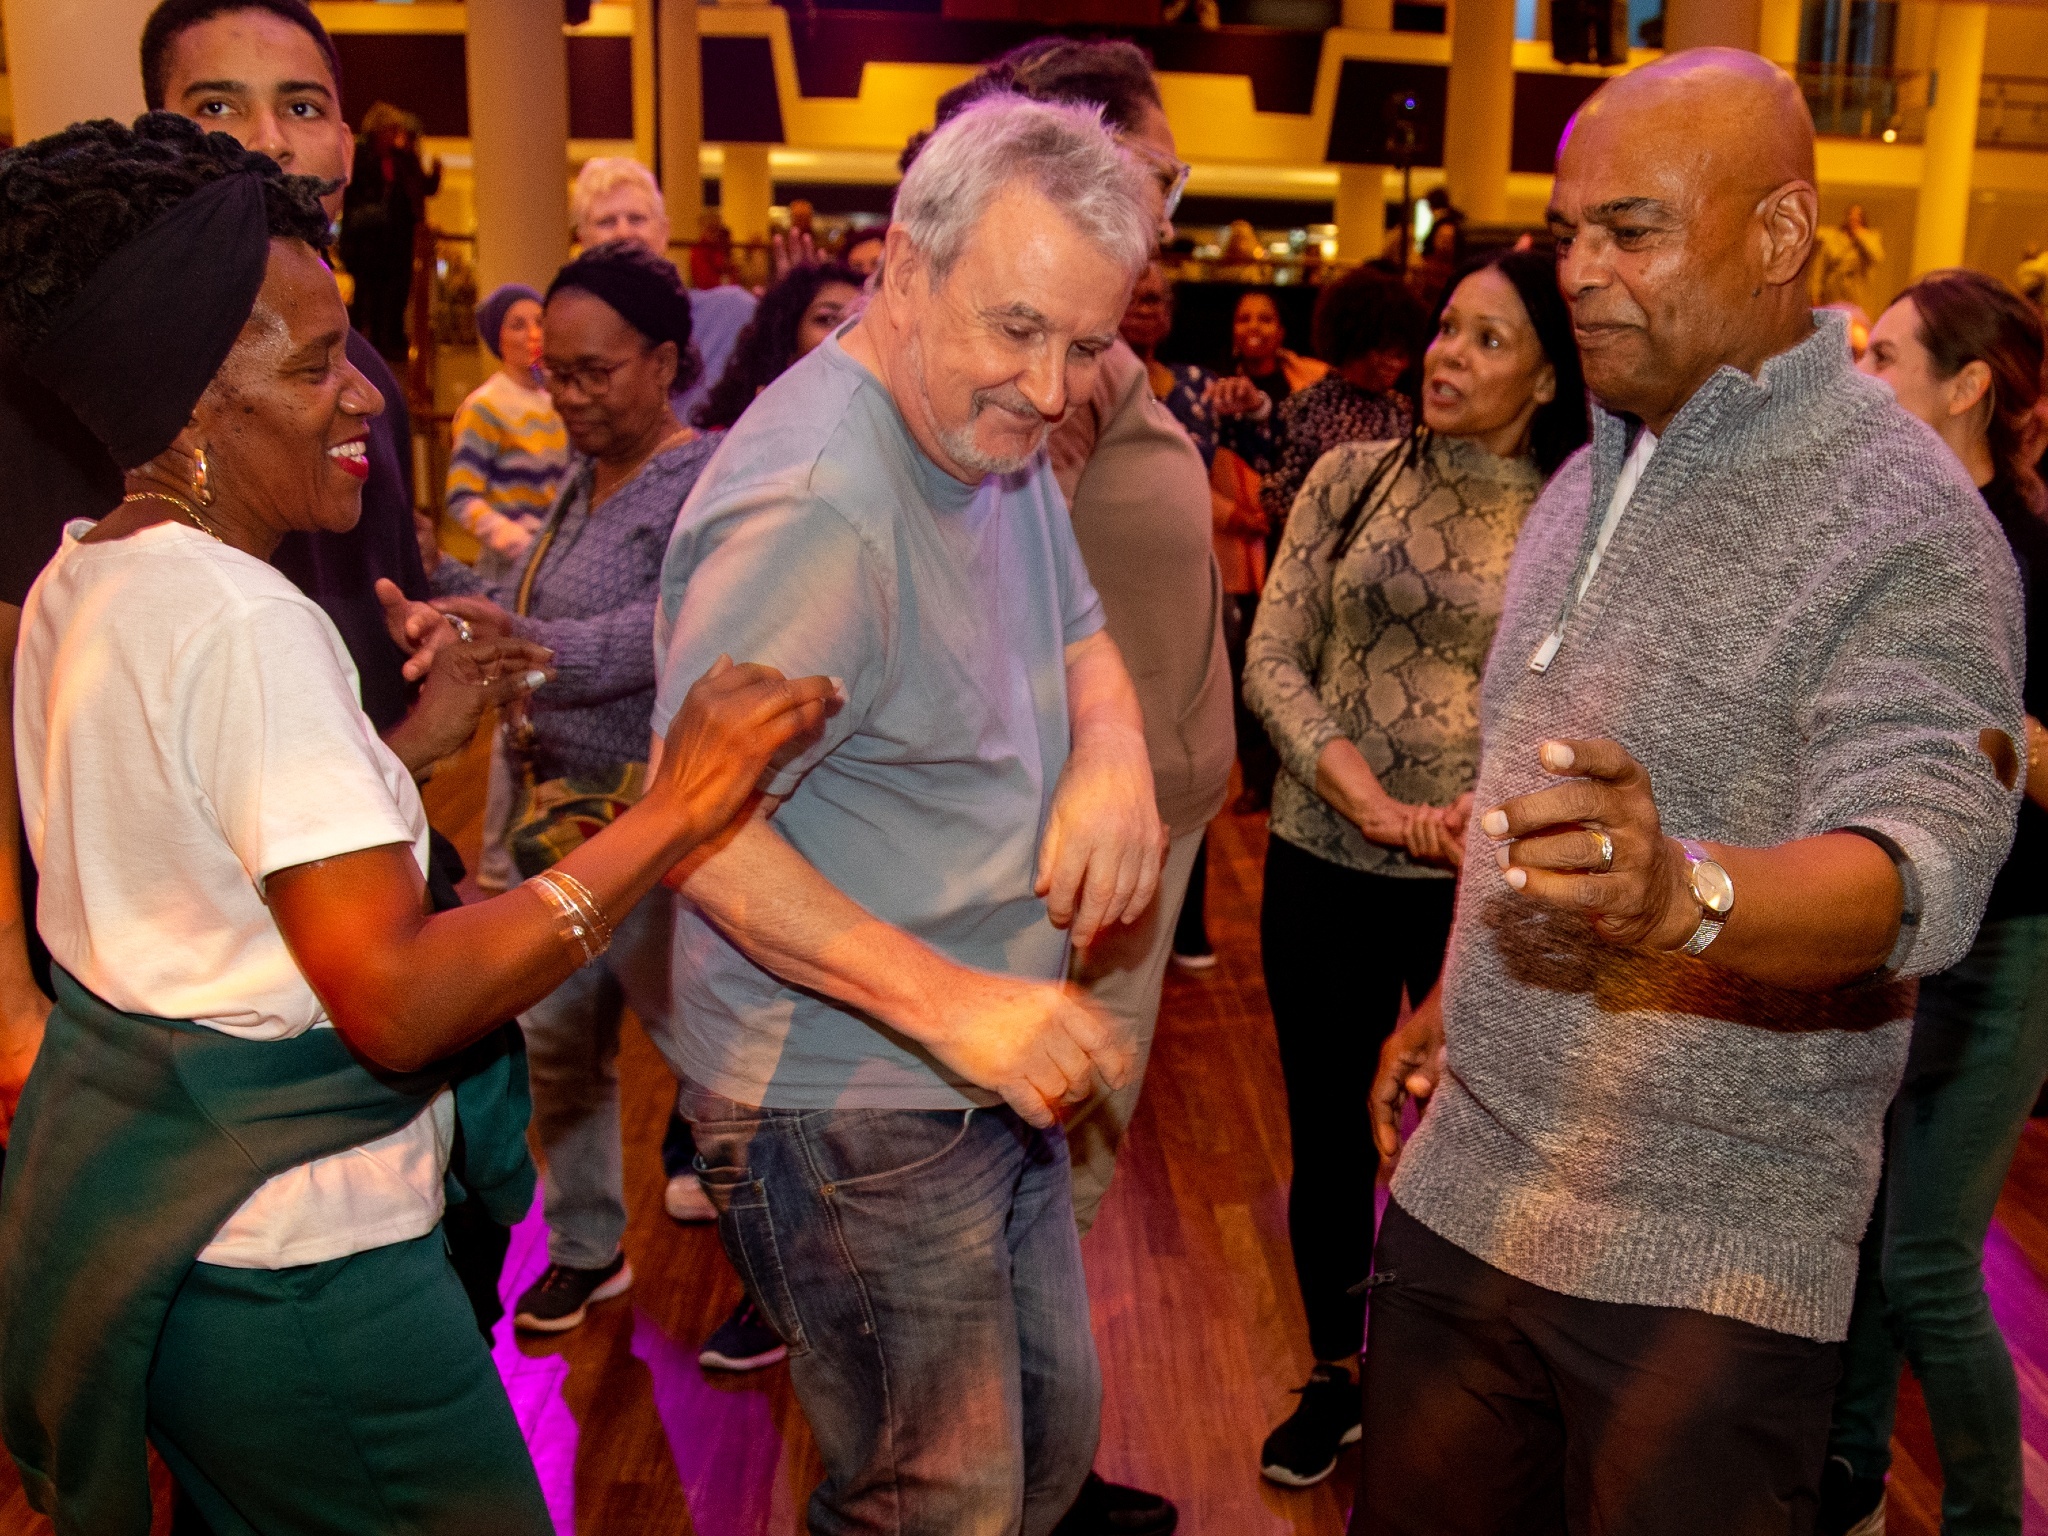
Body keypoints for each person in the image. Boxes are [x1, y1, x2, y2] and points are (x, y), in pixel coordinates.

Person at [0, 112, 834, 1536]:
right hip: (303, 1272)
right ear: (197, 395)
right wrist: (680, 808)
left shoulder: (88, 578)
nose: (368, 400)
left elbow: (221, 890)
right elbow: (391, 1001)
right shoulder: (244, 620)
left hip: (176, 1240)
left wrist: (405, 749)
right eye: (319, 362)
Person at [1361, 50, 2026, 1535]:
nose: (1579, 274)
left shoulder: (1905, 523)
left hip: (1706, 1274)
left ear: (1780, 238)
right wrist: (1461, 999)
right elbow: (1535, 801)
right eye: (1567, 231)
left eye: (1632, 231)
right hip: (1467, 1204)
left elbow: (1918, 865)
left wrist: (1687, 895)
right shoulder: (1584, 477)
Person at [655, 94, 1163, 1535]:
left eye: (1086, 345)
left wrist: (1113, 753)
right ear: (903, 269)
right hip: (839, 1098)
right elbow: (693, 829)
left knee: (1045, 1463)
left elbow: (1078, 628)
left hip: (976, 1054)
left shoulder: (984, 429)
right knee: (935, 1509)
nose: (1054, 389)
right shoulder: (819, 507)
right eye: (1019, 331)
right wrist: (954, 1004)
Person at [906, 42, 1235, 1535]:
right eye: (1157, 175)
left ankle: (1041, 1472)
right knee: (1049, 1170)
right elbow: (981, 564)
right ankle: (1023, 1488)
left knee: (1051, 1178)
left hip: (1127, 821)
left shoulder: (1099, 350)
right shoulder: (1073, 363)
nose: (1164, 209)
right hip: (1089, 847)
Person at [1242, 247, 1587, 1490]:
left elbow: (1586, 697)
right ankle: (1335, 1373)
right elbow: (1273, 658)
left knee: (1490, 1132)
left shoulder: (1579, 518)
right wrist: (1369, 800)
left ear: (1548, 374)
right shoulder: (1344, 477)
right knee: (1331, 1129)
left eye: (1488, 341)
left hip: (1485, 884)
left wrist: (1475, 817)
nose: (1447, 355)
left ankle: (1465, 1379)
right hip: (1324, 855)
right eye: (1447, 330)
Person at [428, 242, 729, 1340]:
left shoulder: (702, 477)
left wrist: (532, 644)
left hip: (650, 820)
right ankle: (587, 1249)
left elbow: (673, 632)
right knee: (558, 1049)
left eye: (594, 371)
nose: (568, 393)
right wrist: (444, 585)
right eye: (556, 371)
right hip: (550, 815)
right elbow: (528, 600)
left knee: (705, 1062)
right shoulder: (576, 477)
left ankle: (775, 1263)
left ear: (664, 362)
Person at [1821, 270, 2048, 1536]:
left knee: (1923, 1265)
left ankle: (1979, 1518)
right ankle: (1847, 1476)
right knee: (1857, 1233)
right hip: (1896, 930)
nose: (1863, 379)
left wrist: (1979, 722)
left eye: (1888, 359)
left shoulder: (2023, 556)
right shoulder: (1895, 537)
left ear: (1965, 389)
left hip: (2008, 943)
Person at [1113, 258, 1270, 969]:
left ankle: (1186, 921)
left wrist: (1260, 408)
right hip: (1110, 587)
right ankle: (1121, 914)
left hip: (1192, 583)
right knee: (1121, 744)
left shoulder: (1201, 387)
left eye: (1156, 300)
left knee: (1190, 745)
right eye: (1132, 298)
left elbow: (1265, 453)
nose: (1144, 310)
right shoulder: (1091, 382)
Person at [570, 156, 756, 424]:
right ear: (584, 240)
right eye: (607, 222)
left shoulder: (730, 316)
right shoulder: (570, 337)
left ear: (663, 232)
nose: (624, 232)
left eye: (636, 219)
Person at [1260, 265, 1428, 531]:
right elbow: (1278, 497)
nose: (1400, 363)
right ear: (1357, 343)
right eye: (1388, 351)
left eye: (1403, 353)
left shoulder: (1402, 410)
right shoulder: (1305, 408)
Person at [444, 284, 569, 587]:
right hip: (508, 571)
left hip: (560, 563)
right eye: (518, 325)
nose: (533, 334)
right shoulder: (485, 406)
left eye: (540, 322)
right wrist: (516, 541)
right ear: (498, 339)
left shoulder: (560, 399)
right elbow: (462, 497)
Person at [692, 259, 864, 432]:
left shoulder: (881, 426)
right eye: (826, 319)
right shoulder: (733, 438)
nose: (844, 332)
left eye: (857, 321)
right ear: (788, 341)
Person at [338, 101, 439, 363]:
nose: (394, 135)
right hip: (366, 242)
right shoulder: (359, 156)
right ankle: (362, 347)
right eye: (390, 130)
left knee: (395, 295)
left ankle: (389, 345)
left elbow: (419, 190)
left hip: (396, 243)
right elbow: (351, 195)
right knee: (366, 296)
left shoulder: (401, 159)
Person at [1230, 288, 1327, 409]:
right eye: (1244, 319)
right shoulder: (1217, 382)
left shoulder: (1314, 377)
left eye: (1265, 319)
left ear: (1280, 333)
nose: (1253, 326)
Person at [1812, 202, 1884, 313]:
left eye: (1858, 216)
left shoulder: (1870, 238)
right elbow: (1819, 268)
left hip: (1857, 292)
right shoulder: (1832, 238)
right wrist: (1815, 294)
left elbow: (1877, 257)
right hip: (1833, 290)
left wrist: (1861, 236)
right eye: (1851, 215)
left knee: (1854, 325)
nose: (1853, 218)